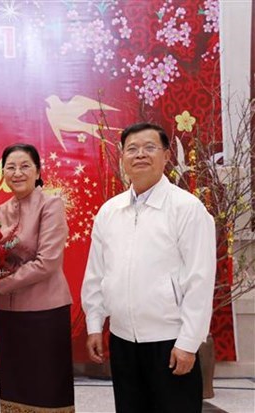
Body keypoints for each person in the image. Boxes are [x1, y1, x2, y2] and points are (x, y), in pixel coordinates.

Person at [81, 122, 216, 413]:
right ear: (122, 157)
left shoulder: (187, 209)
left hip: (169, 343)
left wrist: (189, 343)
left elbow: (200, 281)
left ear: (166, 155)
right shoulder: (110, 211)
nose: (140, 154)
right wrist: (95, 323)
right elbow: (97, 274)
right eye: (132, 149)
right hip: (122, 341)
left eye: (149, 147)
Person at [0, 143, 75, 412]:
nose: (17, 172)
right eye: (10, 167)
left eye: (25, 166)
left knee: (45, 386)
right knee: (16, 385)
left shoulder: (51, 205)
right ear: (2, 172)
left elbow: (46, 262)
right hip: (8, 311)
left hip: (45, 311)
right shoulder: (0, 210)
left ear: (38, 171)